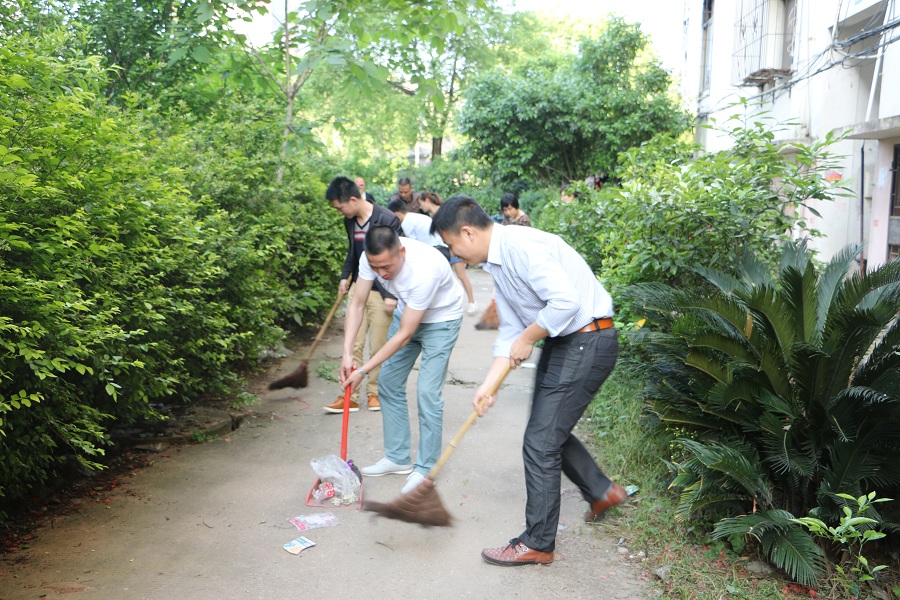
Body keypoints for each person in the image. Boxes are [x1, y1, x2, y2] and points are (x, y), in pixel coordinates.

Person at [431, 195, 625, 567]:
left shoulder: (522, 246)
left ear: (468, 233)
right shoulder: (498, 264)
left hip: (587, 338)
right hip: (567, 341)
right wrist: (488, 385)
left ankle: (538, 542)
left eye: (453, 246)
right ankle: (601, 491)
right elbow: (510, 331)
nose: (455, 256)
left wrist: (528, 338)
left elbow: (565, 303)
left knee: (540, 440)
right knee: (546, 430)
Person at [339, 226, 463, 495]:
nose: (382, 274)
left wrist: (362, 369)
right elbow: (358, 303)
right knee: (388, 382)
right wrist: (348, 353)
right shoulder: (371, 258)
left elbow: (405, 335)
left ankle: (425, 468)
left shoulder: (424, 270)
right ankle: (398, 458)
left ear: (402, 252)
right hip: (407, 312)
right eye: (376, 267)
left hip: (441, 320)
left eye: (386, 266)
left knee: (427, 393)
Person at [325, 176, 404, 414]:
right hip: (360, 288)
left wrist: (391, 294)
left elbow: (400, 259)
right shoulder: (350, 221)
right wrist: (344, 276)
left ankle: (374, 393)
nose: (340, 212)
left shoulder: (386, 218)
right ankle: (350, 396)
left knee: (378, 344)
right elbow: (353, 251)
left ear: (352, 199)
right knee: (353, 344)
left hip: (383, 292)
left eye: (340, 207)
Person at [419, 191, 478, 316]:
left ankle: (472, 302)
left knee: (461, 275)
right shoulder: (429, 216)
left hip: (453, 249)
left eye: (421, 203)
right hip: (442, 251)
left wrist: (454, 248)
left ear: (427, 200)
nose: (420, 207)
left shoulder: (443, 212)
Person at [386, 198, 451, 262]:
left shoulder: (406, 223)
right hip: (443, 248)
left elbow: (414, 245)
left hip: (435, 251)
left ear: (396, 214)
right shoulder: (415, 216)